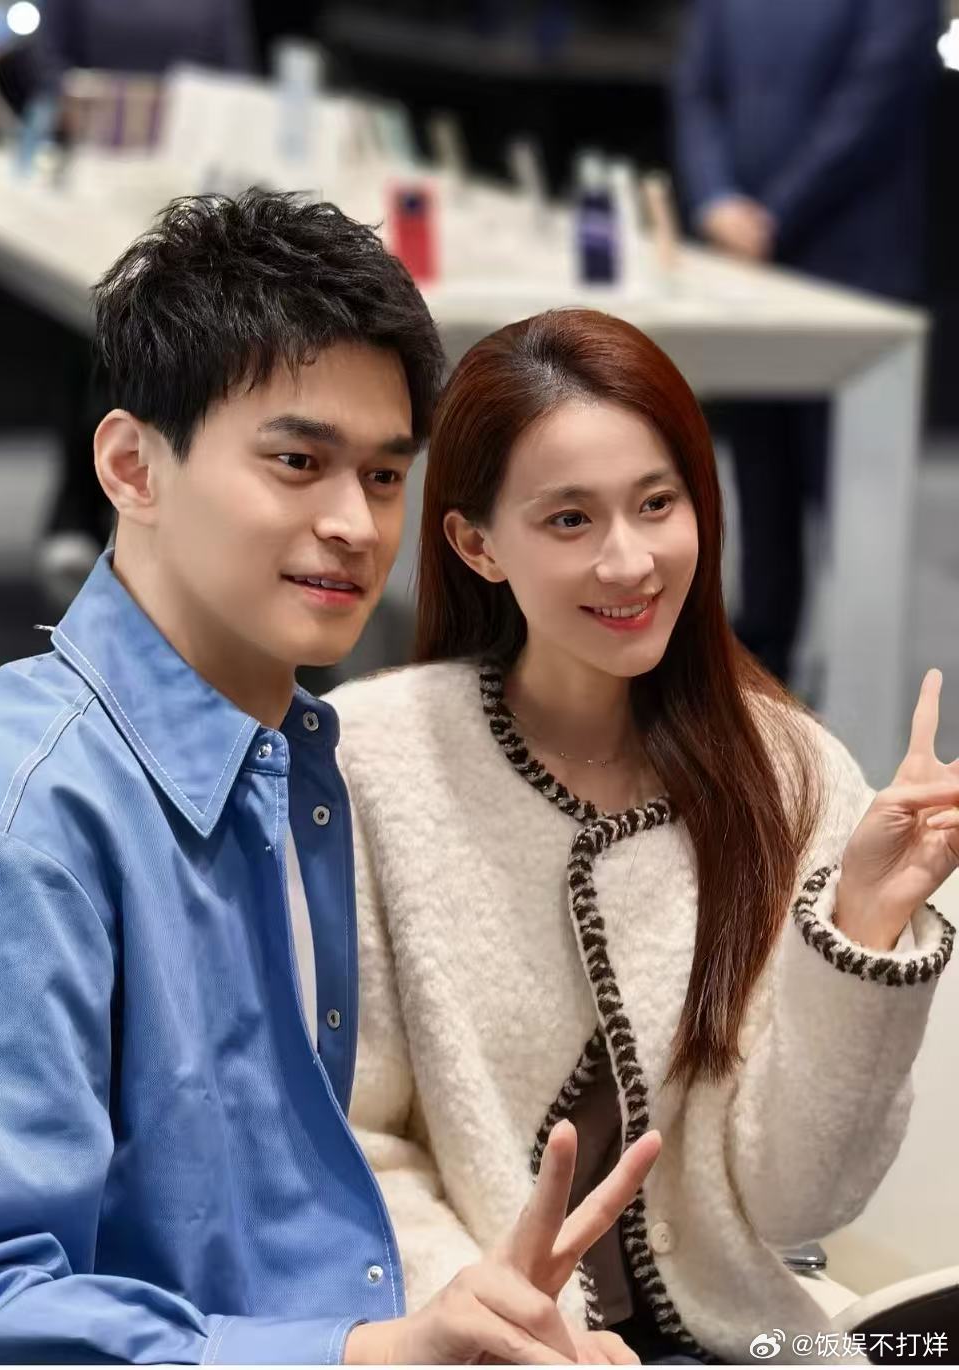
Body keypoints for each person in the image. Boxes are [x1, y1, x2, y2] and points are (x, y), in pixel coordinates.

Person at [0, 194, 652, 1364]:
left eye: (384, 475)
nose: (355, 523)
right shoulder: (19, 821)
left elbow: (288, 1223)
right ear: (131, 465)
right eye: (297, 461)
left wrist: (473, 1327)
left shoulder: (302, 757)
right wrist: (371, 1355)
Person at [327, 309, 959, 1364]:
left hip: (750, 1339)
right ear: (477, 544)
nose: (629, 560)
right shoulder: (373, 763)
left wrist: (863, 928)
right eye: (570, 519)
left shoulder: (792, 770)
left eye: (657, 503)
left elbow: (799, 1202)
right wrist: (506, 1322)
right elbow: (358, 1143)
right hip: (478, 1343)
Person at [672, 0, 941, 684]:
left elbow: (872, 106)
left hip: (855, 267)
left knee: (856, 497)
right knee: (760, 484)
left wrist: (771, 215)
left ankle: (861, 688)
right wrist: (716, 199)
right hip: (749, 270)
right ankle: (759, 676)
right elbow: (697, 90)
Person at [36, 0, 260, 591]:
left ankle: (156, 521)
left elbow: (239, 86)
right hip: (95, 187)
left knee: (178, 343)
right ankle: (80, 511)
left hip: (193, 189)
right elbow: (47, 68)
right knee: (98, 330)